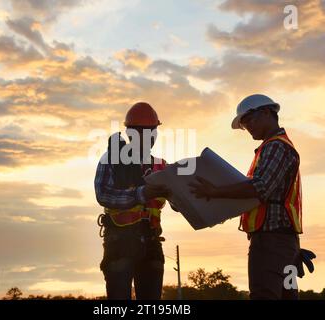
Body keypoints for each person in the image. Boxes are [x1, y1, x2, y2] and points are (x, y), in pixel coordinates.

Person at [189, 94, 303, 300]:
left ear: (267, 113)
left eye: (249, 119)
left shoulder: (276, 146)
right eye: (244, 123)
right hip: (282, 241)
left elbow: (259, 188)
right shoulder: (273, 147)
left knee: (264, 295)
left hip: (271, 241)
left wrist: (215, 192)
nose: (247, 126)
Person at [94, 102, 171, 300]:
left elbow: (179, 202)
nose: (147, 136)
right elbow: (103, 194)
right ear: (129, 133)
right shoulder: (111, 158)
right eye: (140, 131)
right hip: (120, 242)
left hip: (152, 243)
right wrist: (142, 193)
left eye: (151, 131)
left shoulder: (161, 166)